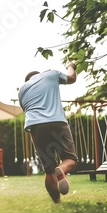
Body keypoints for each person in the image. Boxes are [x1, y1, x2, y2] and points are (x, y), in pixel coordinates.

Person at [18, 62, 78, 203]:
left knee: (49, 170)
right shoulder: (51, 74)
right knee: (70, 160)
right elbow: (72, 78)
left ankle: (57, 203)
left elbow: (25, 109)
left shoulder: (22, 90)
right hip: (57, 122)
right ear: (39, 75)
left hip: (36, 127)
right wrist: (71, 66)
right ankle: (62, 169)